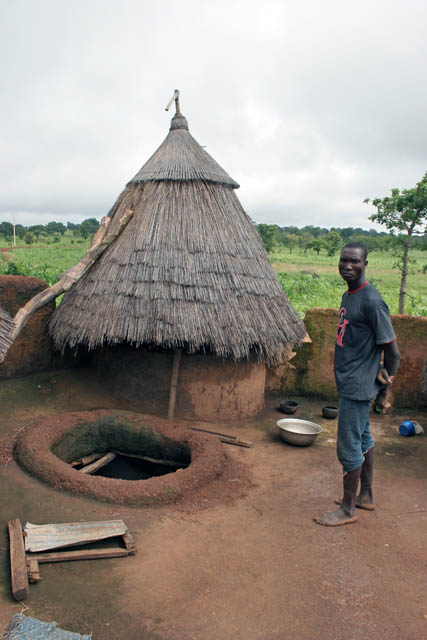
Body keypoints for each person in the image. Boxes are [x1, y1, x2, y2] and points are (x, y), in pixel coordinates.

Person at [314, 242, 400, 526]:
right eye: (344, 260)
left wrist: (385, 386)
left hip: (357, 386)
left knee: (348, 447)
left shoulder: (372, 301)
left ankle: (348, 509)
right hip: (352, 380)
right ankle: (366, 495)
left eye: (355, 261)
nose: (348, 266)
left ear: (365, 264)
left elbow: (393, 351)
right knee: (363, 439)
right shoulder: (350, 294)